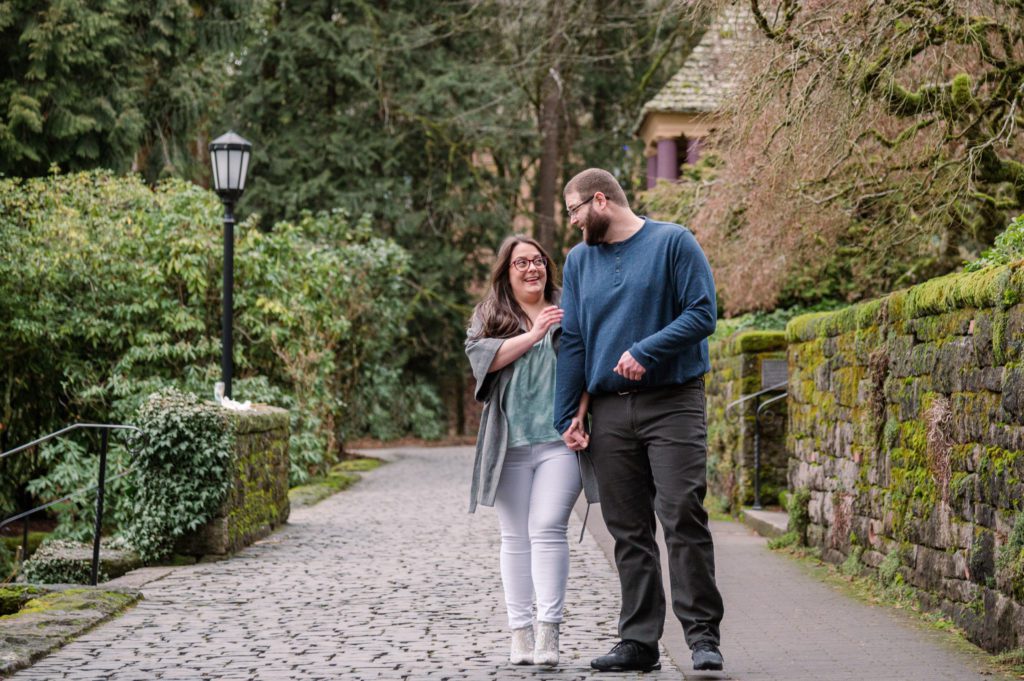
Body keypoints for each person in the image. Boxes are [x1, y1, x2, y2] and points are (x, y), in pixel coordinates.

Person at [555, 168, 726, 673]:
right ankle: (639, 643)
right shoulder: (579, 262)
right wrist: (569, 414)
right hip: (609, 411)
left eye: (574, 211)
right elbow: (576, 342)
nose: (571, 223)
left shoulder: (675, 242)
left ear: (600, 200)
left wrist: (647, 350)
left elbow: (702, 313)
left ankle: (702, 639)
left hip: (672, 402)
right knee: (627, 530)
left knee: (682, 514)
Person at [465, 235, 597, 668]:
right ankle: (519, 633)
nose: (532, 269)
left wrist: (580, 417)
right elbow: (484, 360)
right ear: (506, 271)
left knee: (547, 527)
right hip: (508, 445)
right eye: (521, 262)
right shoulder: (489, 315)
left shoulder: (570, 306)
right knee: (514, 537)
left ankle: (549, 630)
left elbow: (588, 364)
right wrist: (534, 333)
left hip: (559, 443)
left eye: (538, 261)